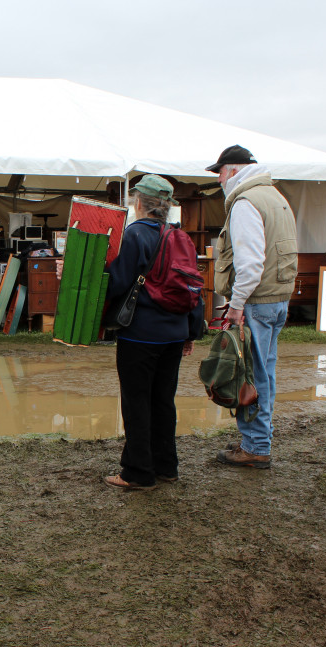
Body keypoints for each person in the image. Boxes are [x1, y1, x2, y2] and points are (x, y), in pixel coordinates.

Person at [102, 175, 204, 490]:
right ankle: (166, 466)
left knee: (136, 402)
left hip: (140, 334)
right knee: (163, 401)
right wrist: (189, 332)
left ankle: (137, 473)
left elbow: (117, 283)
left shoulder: (134, 234)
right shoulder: (180, 237)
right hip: (174, 333)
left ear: (139, 202)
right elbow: (194, 289)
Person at [207, 145, 298, 470]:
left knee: (251, 375)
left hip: (257, 302)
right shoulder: (275, 196)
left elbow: (250, 264)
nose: (218, 179)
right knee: (265, 374)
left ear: (232, 170)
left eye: (219, 172)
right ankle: (256, 438)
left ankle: (256, 447)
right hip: (277, 300)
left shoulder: (246, 202)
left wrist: (235, 305)